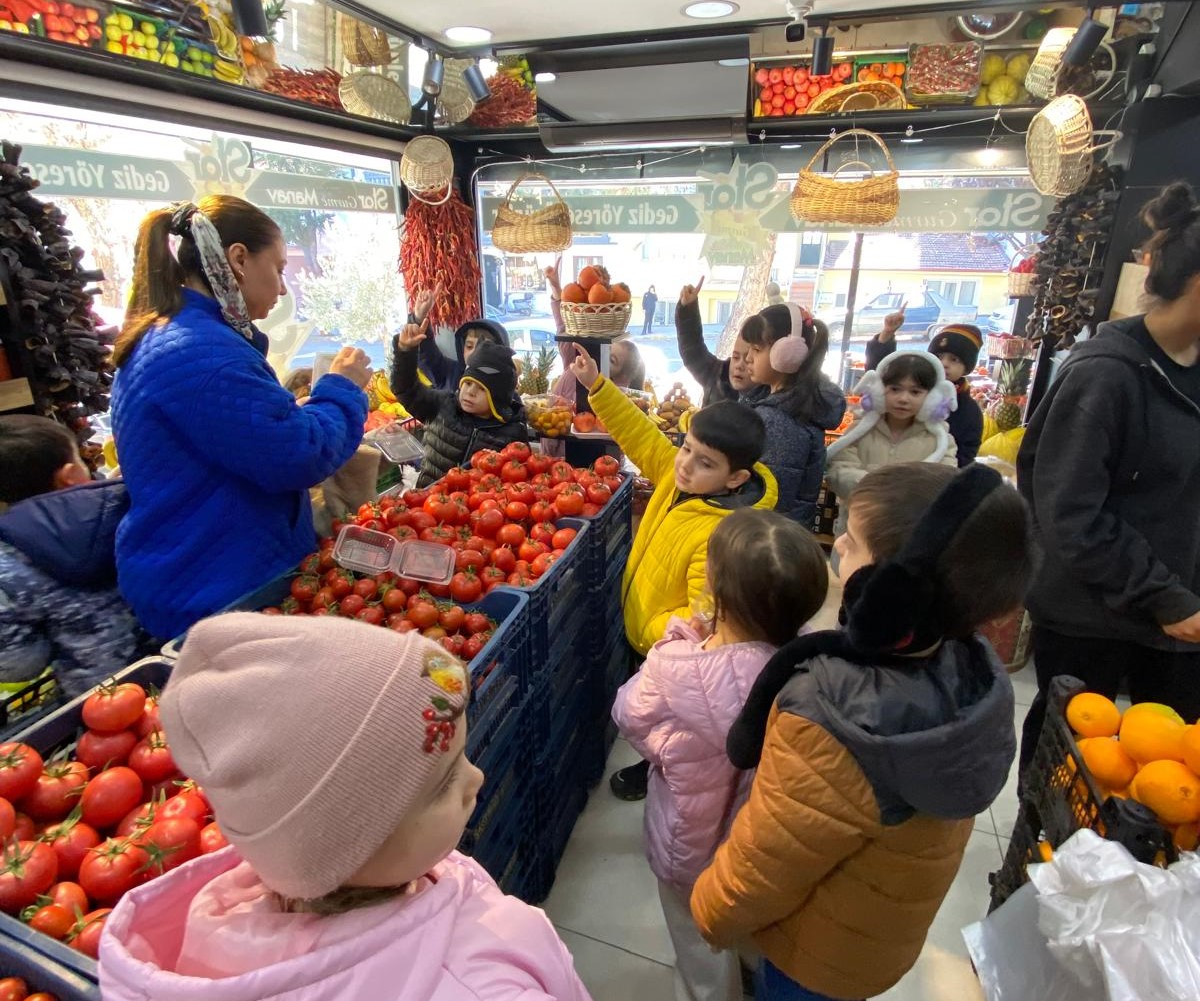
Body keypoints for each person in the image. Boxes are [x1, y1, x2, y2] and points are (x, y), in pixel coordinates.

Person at [99, 613, 591, 1001]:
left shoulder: (217, 926)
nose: (476, 778)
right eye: (442, 784)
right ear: (349, 845)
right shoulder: (479, 984)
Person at [691, 463, 1036, 1001]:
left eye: (853, 542)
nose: (839, 545)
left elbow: (772, 859)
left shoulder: (829, 714)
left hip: (809, 955)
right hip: (874, 941)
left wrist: (711, 912)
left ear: (893, 591)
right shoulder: (973, 671)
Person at [110, 196, 371, 640]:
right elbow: (298, 455)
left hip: (199, 567)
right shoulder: (203, 353)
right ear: (239, 259)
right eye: (280, 268)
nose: (283, 288)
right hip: (214, 586)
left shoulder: (172, 337)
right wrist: (342, 387)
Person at [1016, 181, 1200, 775]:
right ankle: (1039, 867)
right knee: (1071, 772)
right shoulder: (1106, 375)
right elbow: (1069, 511)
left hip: (1176, 613)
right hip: (1095, 614)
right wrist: (1162, 595)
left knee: (1161, 778)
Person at [612, 509, 828, 1001]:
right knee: (747, 923)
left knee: (697, 936)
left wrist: (677, 640)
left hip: (690, 838)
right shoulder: (806, 663)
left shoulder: (678, 667)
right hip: (754, 843)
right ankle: (752, 976)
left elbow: (629, 714)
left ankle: (708, 993)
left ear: (719, 594)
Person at [568, 346, 778, 801]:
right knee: (645, 706)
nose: (685, 464)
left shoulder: (721, 534)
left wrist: (650, 629)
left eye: (706, 463)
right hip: (640, 627)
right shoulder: (673, 475)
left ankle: (653, 768)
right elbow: (639, 435)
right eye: (687, 449)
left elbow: (702, 612)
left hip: (666, 645)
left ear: (736, 479)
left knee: (668, 717)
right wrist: (597, 388)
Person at [0, 416, 148, 698]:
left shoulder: (7, 562)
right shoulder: (132, 507)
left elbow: (18, 665)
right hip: (177, 657)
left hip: (102, 701)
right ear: (69, 476)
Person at [825, 350, 958, 538]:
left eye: (915, 392)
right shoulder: (858, 431)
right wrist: (891, 492)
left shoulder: (940, 441)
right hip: (856, 534)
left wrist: (880, 488)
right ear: (879, 390)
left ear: (931, 398)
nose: (904, 398)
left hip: (910, 538)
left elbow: (944, 485)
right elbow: (838, 473)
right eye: (895, 389)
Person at [741, 303, 847, 526]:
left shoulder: (779, 422)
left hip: (765, 537)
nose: (747, 358)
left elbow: (768, 500)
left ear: (788, 354)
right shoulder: (774, 403)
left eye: (757, 350)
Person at [392, 318, 529, 488]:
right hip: (428, 501)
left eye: (481, 389)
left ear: (498, 397)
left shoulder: (513, 432)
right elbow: (405, 389)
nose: (470, 392)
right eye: (468, 383)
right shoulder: (442, 405)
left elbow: (514, 480)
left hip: (476, 510)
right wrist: (405, 352)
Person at [865, 307, 984, 466]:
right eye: (939, 356)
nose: (944, 364)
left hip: (932, 480)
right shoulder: (913, 386)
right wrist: (886, 335)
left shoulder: (969, 410)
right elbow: (882, 372)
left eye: (954, 360)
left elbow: (965, 454)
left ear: (967, 367)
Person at [675, 278, 765, 407]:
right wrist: (688, 309)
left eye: (748, 360)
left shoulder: (767, 405)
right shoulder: (717, 374)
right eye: (736, 357)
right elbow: (692, 350)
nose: (739, 366)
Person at [414, 281, 511, 393]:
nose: (474, 352)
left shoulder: (505, 387)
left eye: (484, 347)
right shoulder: (450, 374)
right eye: (469, 346)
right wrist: (419, 318)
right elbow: (427, 355)